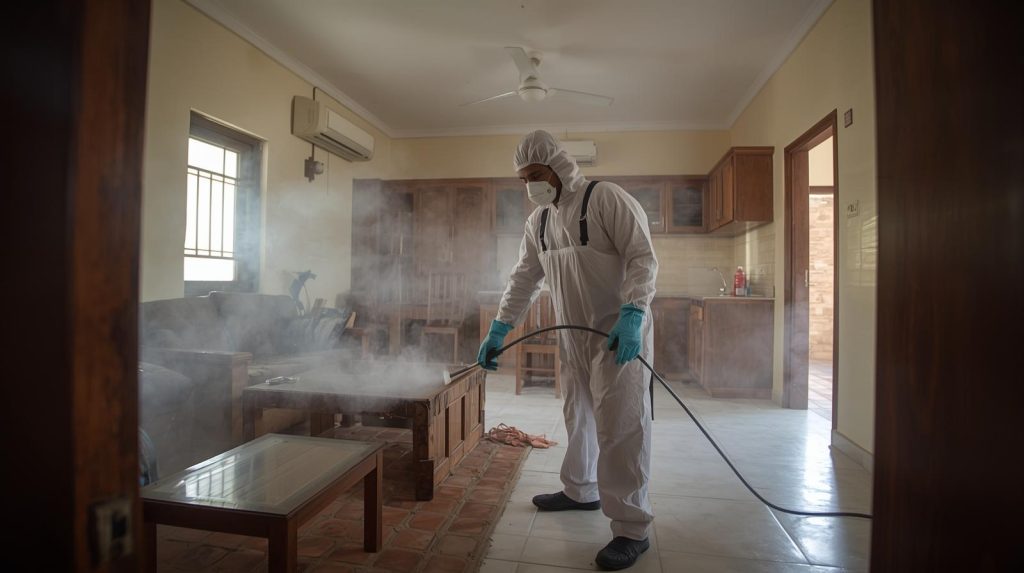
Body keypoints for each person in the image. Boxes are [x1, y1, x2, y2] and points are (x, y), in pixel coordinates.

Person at [477, 130, 658, 570]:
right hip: (573, 335)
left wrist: (634, 312)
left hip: (618, 333)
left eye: (536, 174)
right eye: (523, 179)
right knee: (578, 414)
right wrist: (499, 327)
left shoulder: (605, 198)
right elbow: (524, 278)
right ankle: (581, 490)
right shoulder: (538, 221)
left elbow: (642, 257)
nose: (530, 185)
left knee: (622, 426)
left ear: (558, 168)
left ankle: (632, 529)